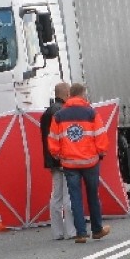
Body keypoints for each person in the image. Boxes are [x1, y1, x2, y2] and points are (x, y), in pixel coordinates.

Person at [48, 82, 111, 244]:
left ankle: (81, 233)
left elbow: (53, 139)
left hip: (69, 164)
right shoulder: (91, 113)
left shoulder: (60, 115)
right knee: (92, 196)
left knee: (75, 198)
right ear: (82, 95)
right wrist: (101, 152)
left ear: (70, 95)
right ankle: (97, 230)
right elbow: (100, 135)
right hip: (90, 162)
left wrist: (58, 155)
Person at [40, 81, 76, 240]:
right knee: (68, 196)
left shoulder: (47, 113)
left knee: (56, 197)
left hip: (51, 159)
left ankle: (57, 232)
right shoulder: (63, 112)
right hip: (64, 158)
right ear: (66, 94)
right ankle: (71, 231)